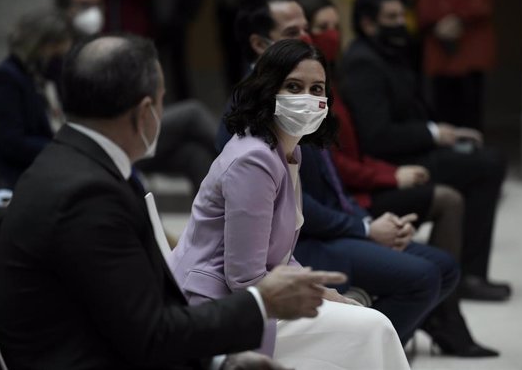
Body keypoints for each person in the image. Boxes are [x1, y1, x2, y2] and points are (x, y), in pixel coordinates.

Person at [0, 34, 348, 370]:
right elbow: (149, 334)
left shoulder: (73, 163)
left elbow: (135, 313)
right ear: (146, 109)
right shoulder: (89, 195)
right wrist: (257, 308)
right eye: (164, 99)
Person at [170, 39, 410, 369]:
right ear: (268, 90)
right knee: (374, 327)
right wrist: (321, 295)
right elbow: (243, 277)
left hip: (253, 296)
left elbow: (278, 256)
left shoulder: (286, 152)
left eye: (317, 89)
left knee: (364, 321)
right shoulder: (253, 161)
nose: (307, 99)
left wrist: (324, 291)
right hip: (220, 307)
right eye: (294, 86)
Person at [298, 0, 497, 356]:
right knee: (431, 256)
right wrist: (369, 219)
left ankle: (431, 319)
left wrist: (372, 213)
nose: (330, 35)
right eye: (318, 28)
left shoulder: (333, 77)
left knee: (443, 261)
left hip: (351, 205)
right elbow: (332, 179)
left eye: (334, 26)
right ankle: (387, 344)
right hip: (328, 226)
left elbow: (342, 162)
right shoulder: (298, 104)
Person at [341, 0, 510, 301]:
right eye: (391, 17)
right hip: (393, 163)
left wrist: (441, 131)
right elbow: (376, 135)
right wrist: (433, 134)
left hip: (412, 151)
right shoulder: (363, 62)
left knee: (481, 157)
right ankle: (468, 275)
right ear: (368, 24)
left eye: (402, 15)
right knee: (486, 165)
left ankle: (467, 271)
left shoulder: (389, 53)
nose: (401, 23)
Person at [57, 0, 219, 197]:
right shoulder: (61, 50)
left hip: (125, 127)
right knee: (192, 113)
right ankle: (247, 158)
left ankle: (223, 222)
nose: (93, 13)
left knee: (193, 155)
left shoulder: (104, 42)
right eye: (85, 5)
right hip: (104, 138)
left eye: (98, 5)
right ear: (66, 8)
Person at [0, 10, 72, 187]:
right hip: (8, 179)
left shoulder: (42, 78)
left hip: (41, 171)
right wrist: (67, 149)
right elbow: (13, 143)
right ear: (39, 45)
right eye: (56, 54)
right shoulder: (5, 79)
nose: (60, 60)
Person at [215, 0, 311, 151]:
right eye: (292, 33)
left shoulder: (300, 85)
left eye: (306, 29)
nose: (306, 39)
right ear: (259, 44)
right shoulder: (248, 112)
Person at [418, 0, 498, 131]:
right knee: (441, 101)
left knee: (470, 101)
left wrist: (459, 18)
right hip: (438, 37)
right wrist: (435, 21)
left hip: (470, 37)